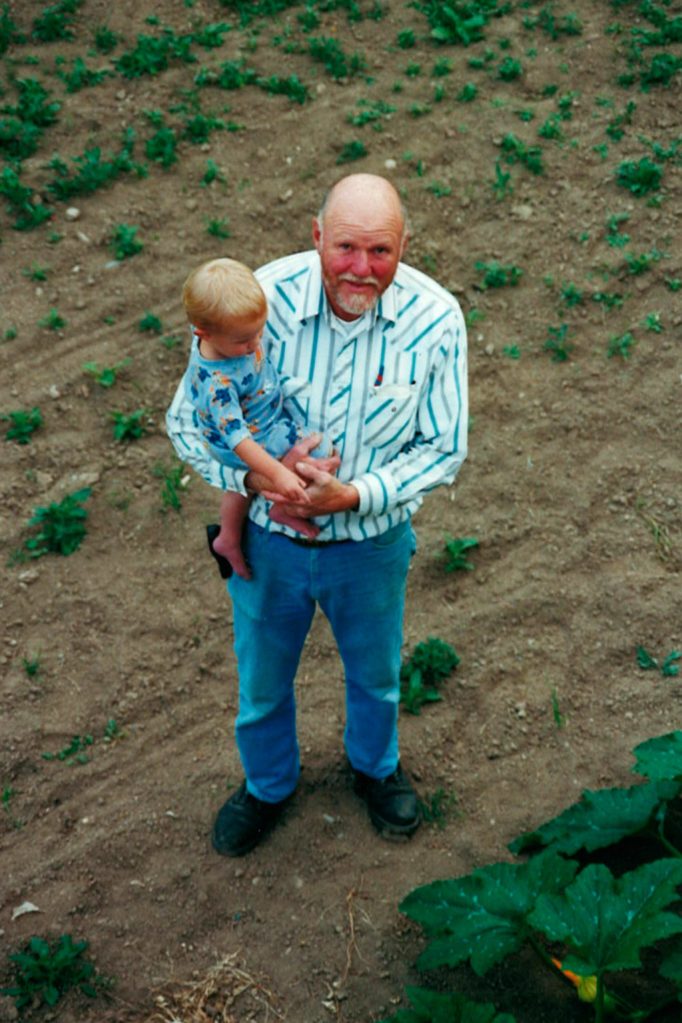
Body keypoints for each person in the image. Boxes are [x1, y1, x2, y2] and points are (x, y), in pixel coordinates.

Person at [166, 173, 468, 857]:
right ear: (316, 236)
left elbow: (444, 446)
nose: (362, 269)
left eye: (381, 252)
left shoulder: (436, 318)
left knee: (376, 672)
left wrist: (356, 495)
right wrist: (255, 481)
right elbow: (188, 423)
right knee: (263, 679)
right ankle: (268, 784)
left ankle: (375, 767)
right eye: (347, 248)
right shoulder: (254, 300)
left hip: (371, 540)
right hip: (272, 543)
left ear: (404, 245)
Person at [180, 257, 333, 579]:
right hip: (246, 438)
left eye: (258, 332)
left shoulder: (229, 340)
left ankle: (229, 537)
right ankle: (282, 505)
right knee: (318, 452)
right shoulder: (218, 385)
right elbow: (240, 442)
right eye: (243, 340)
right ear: (202, 333)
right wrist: (277, 473)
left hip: (259, 413)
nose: (254, 344)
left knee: (243, 487)